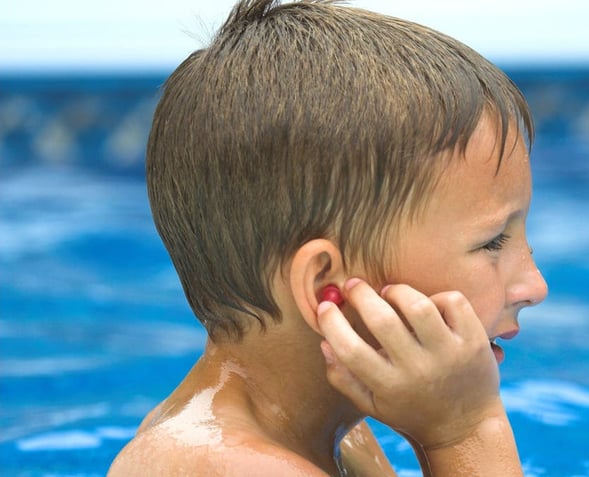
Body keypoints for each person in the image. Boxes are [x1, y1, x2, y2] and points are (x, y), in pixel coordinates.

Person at [108, 0, 548, 475]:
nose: (534, 286)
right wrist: (464, 433)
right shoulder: (223, 464)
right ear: (326, 287)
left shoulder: (339, 430)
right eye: (491, 244)